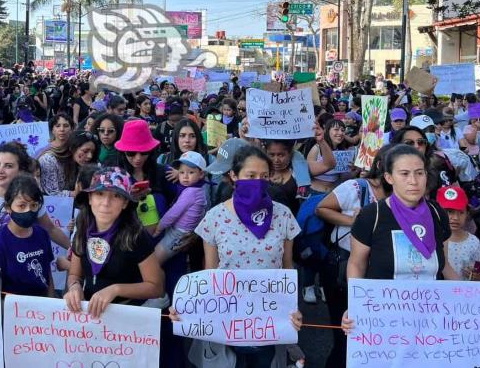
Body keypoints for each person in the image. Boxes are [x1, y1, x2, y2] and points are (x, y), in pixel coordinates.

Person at [187, 145, 302, 367]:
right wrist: (191, 309)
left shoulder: (283, 215)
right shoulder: (214, 218)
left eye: (264, 176)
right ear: (233, 175)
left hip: (269, 318)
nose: (258, 182)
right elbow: (210, 273)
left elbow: (288, 268)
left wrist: (293, 308)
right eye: (250, 176)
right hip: (228, 318)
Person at [314, 146, 392, 368]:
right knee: (347, 334)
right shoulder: (356, 188)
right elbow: (322, 208)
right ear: (382, 168)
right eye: (400, 170)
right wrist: (356, 222)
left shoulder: (405, 196)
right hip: (345, 266)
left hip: (381, 272)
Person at [346, 144, 457, 281]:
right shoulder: (371, 216)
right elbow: (356, 264)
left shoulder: (438, 213)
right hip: (385, 301)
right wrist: (357, 298)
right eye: (404, 174)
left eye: (419, 173)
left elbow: (445, 265)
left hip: (430, 301)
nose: (413, 181)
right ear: (389, 178)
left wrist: (466, 296)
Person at [63, 166, 164, 317]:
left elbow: (156, 287)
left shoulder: (135, 235)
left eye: (116, 196)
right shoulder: (83, 225)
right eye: (99, 194)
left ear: (125, 203)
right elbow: (75, 274)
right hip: (89, 314)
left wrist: (116, 289)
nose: (106, 202)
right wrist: (74, 286)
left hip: (125, 317)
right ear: (90, 198)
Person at [0, 174, 54, 297]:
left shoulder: (42, 234)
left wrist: (51, 302)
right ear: (8, 208)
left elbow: (48, 274)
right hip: (14, 312)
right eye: (21, 206)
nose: (28, 210)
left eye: (34, 205)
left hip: (42, 309)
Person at [153, 151, 207, 264]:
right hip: (183, 230)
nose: (185, 177)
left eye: (191, 172)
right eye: (181, 172)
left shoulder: (191, 192)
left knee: (155, 260)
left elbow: (174, 213)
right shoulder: (199, 189)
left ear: (201, 174)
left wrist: (159, 228)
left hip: (179, 233)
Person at [437, 185, 480, 280]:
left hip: (463, 292)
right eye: (449, 211)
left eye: (461, 212)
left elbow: (478, 270)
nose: (455, 218)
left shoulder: (474, 242)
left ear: (467, 214)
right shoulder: (431, 239)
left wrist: (477, 275)